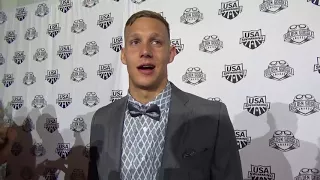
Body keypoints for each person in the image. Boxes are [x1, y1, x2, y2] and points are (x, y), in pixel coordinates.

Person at [88, 10, 243, 180]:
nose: (145, 51)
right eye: (135, 42)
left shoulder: (213, 117)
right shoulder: (101, 119)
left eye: (156, 42)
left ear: (171, 53)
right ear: (123, 55)